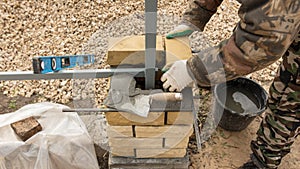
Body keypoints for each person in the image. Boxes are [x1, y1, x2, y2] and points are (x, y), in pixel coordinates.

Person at [161, 0, 300, 168]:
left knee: (290, 95)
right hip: (278, 17)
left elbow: (257, 48)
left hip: (282, 18)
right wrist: (195, 17)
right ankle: (222, 74)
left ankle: (264, 160)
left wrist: (194, 70)